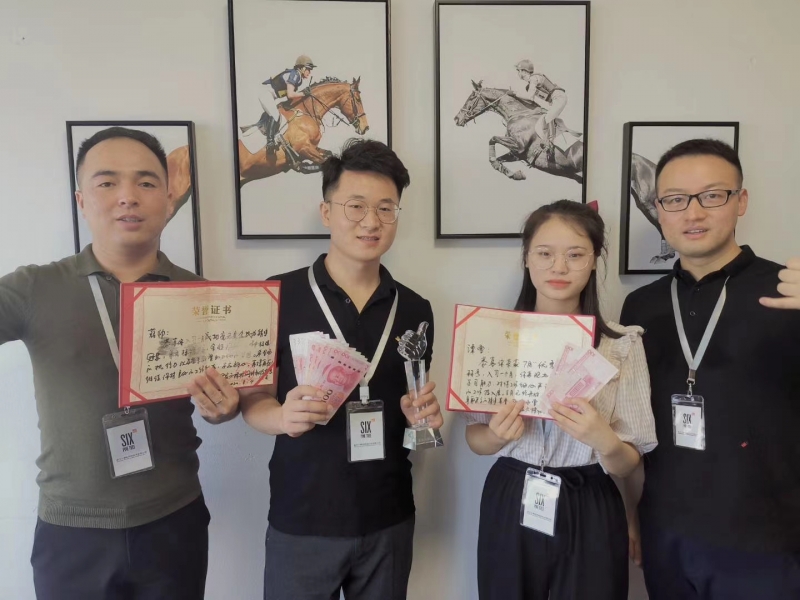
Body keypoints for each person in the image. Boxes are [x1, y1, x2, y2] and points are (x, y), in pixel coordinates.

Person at [0, 127, 240, 599]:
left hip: (174, 518)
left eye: (146, 182)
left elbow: (228, 395)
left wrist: (224, 408)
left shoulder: (202, 295)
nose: (128, 196)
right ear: (81, 200)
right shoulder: (34, 288)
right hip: (72, 528)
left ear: (168, 200)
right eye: (107, 182)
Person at [239, 138, 444, 600]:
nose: (371, 221)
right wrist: (281, 417)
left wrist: (424, 420)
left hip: (389, 516)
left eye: (386, 208)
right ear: (326, 212)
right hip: (302, 517)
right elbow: (252, 401)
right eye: (356, 206)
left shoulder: (416, 309)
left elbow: (415, 413)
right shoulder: (277, 295)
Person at [620, 138, 800, 599]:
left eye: (712, 195)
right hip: (667, 535)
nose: (693, 213)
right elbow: (633, 427)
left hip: (770, 540)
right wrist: (632, 511)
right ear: (658, 210)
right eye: (675, 200)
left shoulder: (789, 291)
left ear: (741, 201)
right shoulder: (640, 306)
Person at [464, 200, 657, 600]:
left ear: (594, 261)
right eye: (545, 253)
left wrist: (603, 439)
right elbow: (475, 439)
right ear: (526, 258)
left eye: (575, 255)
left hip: (590, 497)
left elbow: (628, 462)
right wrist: (497, 436)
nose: (559, 267)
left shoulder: (621, 344)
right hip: (512, 491)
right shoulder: (491, 336)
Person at [509, 59, 568, 157]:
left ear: (524, 71)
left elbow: (529, 97)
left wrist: (515, 93)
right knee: (543, 119)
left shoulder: (534, 78)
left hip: (558, 97)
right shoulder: (530, 84)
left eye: (519, 71)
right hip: (554, 100)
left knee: (548, 118)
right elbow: (532, 100)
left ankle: (549, 144)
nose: (518, 73)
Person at [257, 54, 315, 152]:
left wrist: (302, 95)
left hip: (270, 95)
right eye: (308, 69)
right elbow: (290, 95)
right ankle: (270, 142)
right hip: (266, 94)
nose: (309, 72)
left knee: (278, 114)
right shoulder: (295, 75)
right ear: (302, 68)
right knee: (275, 115)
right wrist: (303, 93)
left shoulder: (298, 78)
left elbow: (289, 98)